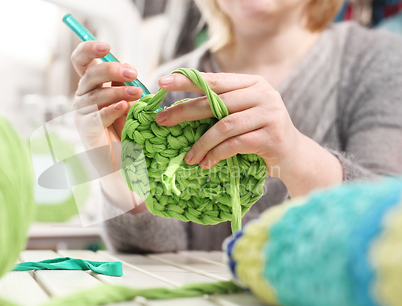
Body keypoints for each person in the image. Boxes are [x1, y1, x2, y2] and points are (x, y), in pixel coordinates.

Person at [71, 0, 402, 252]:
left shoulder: (381, 61)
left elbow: (388, 226)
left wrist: (295, 154)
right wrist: (118, 167)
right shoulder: (168, 87)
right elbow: (158, 254)